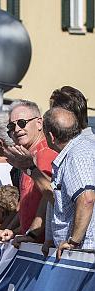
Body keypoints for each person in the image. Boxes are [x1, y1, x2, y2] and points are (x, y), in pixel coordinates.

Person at [43, 107, 95, 258]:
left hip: (84, 253)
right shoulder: (81, 149)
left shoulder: (76, 156)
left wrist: (74, 242)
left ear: (51, 136)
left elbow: (87, 198)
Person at [5, 100, 57, 237]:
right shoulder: (29, 155)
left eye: (22, 123)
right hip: (31, 244)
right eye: (12, 126)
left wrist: (32, 234)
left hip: (43, 248)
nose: (17, 129)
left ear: (39, 123)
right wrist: (13, 231)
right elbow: (27, 205)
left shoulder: (45, 153)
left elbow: (50, 198)